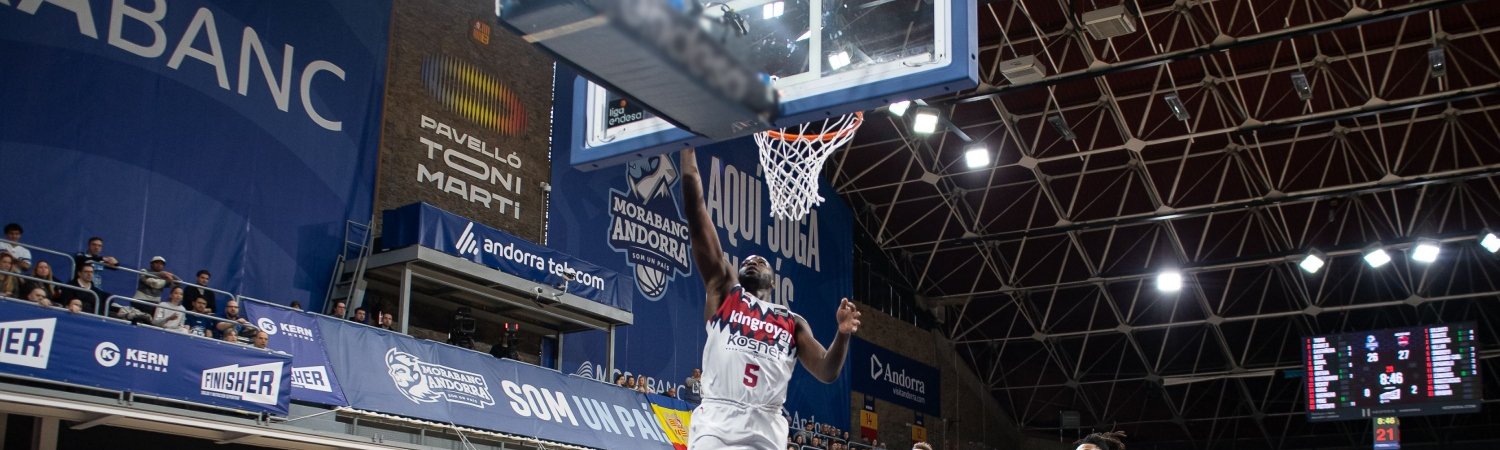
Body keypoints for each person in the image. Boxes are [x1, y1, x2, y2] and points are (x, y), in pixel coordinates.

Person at [679, 148, 862, 450]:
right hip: (718, 419)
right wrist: (687, 148)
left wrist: (842, 336)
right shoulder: (724, 290)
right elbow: (696, 213)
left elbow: (828, 372)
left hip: (766, 424)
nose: (752, 261)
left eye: (760, 261)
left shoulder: (793, 323)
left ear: (773, 280)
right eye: (747, 260)